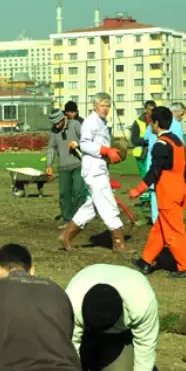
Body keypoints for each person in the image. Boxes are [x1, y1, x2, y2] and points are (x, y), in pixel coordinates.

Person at [65, 263, 159, 371]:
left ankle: (90, 362)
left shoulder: (142, 301)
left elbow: (146, 342)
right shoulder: (72, 300)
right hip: (86, 332)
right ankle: (86, 360)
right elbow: (69, 345)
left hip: (119, 335)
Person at [130, 106, 186, 278]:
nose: (150, 125)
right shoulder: (177, 141)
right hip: (180, 190)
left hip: (168, 194)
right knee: (159, 229)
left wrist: (138, 190)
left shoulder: (161, 145)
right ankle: (146, 261)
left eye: (151, 122)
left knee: (174, 232)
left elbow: (154, 171)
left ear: (157, 124)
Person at [60, 92, 127, 252]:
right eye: (103, 106)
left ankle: (66, 235)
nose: (106, 109)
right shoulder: (91, 122)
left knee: (92, 207)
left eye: (108, 106)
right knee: (109, 205)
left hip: (99, 169)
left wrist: (112, 152)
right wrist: (106, 150)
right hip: (94, 171)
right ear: (94, 106)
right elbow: (84, 145)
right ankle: (119, 243)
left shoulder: (102, 122)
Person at [147, 103, 186, 224]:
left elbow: (145, 139)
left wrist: (139, 189)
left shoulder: (153, 128)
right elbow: (181, 147)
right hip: (172, 173)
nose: (183, 116)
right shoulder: (175, 126)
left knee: (157, 202)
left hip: (156, 171)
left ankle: (159, 224)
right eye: (182, 114)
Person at [46, 107, 86, 227]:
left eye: (58, 122)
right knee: (64, 194)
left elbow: (86, 139)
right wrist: (49, 165)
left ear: (64, 118)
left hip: (78, 164)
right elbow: (51, 148)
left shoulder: (75, 124)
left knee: (78, 191)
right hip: (63, 167)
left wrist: (78, 144)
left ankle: (78, 219)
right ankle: (68, 219)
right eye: (54, 123)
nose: (57, 125)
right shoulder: (54, 131)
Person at [129, 100, 156, 204]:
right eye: (150, 110)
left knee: (152, 176)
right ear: (146, 109)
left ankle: (150, 198)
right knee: (146, 177)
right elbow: (134, 140)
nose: (152, 112)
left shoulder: (156, 121)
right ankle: (147, 199)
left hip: (153, 153)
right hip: (141, 154)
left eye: (154, 110)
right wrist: (146, 140)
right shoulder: (137, 122)